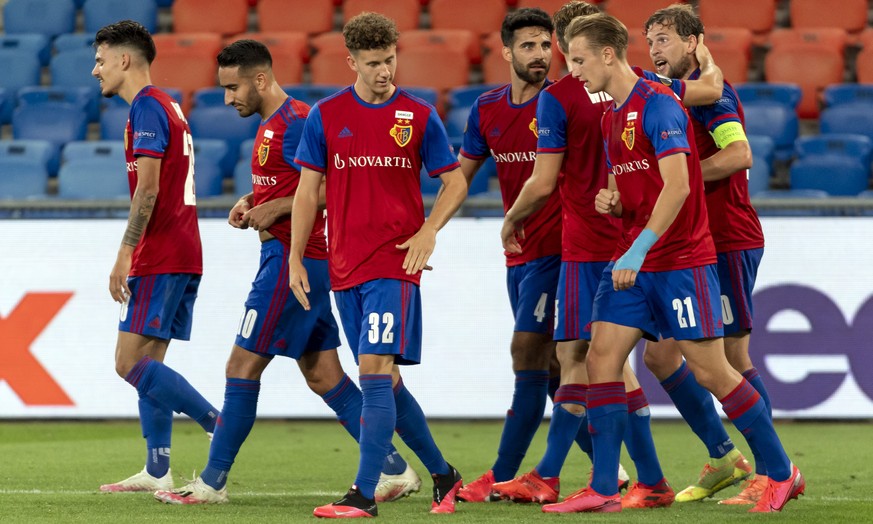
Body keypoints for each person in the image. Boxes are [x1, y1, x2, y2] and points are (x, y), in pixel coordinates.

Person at [541, 13, 803, 514]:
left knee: (715, 369)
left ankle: (779, 470)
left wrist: (638, 246)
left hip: (683, 258)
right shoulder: (610, 117)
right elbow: (636, 182)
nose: (571, 72)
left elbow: (683, 183)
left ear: (607, 55)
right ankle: (602, 487)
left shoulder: (663, 106)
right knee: (601, 358)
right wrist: (615, 202)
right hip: (635, 263)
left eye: (577, 60)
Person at [152, 39, 420, 505]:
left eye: (233, 88)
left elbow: (335, 183)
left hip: (291, 261)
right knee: (323, 375)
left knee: (240, 366)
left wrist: (274, 208)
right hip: (305, 262)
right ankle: (394, 469)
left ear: (260, 79)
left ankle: (212, 483)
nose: (228, 98)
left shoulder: (296, 121)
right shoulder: (272, 124)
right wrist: (254, 202)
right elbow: (291, 186)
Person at [492, 1, 729, 508]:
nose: (568, 61)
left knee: (580, 358)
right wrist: (706, 59)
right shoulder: (643, 82)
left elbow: (543, 179)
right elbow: (710, 89)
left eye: (569, 51)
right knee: (633, 361)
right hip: (639, 240)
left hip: (592, 245)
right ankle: (659, 472)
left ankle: (563, 475)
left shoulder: (558, 98)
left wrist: (512, 217)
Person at [289, 12, 467, 518]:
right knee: (385, 382)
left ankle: (363, 494)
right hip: (345, 268)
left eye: (390, 59)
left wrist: (429, 231)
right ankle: (443, 475)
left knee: (373, 370)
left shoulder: (418, 114)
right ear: (352, 62)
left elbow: (453, 182)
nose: (385, 70)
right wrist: (297, 258)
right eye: (373, 63)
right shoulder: (325, 115)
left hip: (395, 264)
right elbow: (307, 193)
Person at [641, 4, 769, 505]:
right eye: (650, 40)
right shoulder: (667, 96)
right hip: (690, 245)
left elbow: (740, 155)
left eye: (667, 39)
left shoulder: (715, 98)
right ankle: (722, 456)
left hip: (728, 238)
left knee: (733, 356)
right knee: (659, 355)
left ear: (693, 42)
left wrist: (673, 178)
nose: (655, 49)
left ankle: (770, 470)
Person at [91, 20, 219, 493]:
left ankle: (216, 423)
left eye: (101, 60)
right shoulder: (169, 105)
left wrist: (125, 252)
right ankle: (158, 469)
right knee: (151, 364)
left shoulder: (146, 109)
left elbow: (148, 188)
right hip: (183, 249)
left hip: (160, 252)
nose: (94, 70)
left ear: (125, 60)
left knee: (128, 363)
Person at [453, 7, 565, 504]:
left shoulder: (566, 102)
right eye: (529, 46)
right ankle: (619, 468)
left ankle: (501, 473)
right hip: (519, 253)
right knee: (556, 368)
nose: (540, 55)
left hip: (562, 249)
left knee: (527, 352)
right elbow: (461, 174)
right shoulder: (487, 109)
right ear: (505, 51)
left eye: (546, 46)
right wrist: (427, 225)